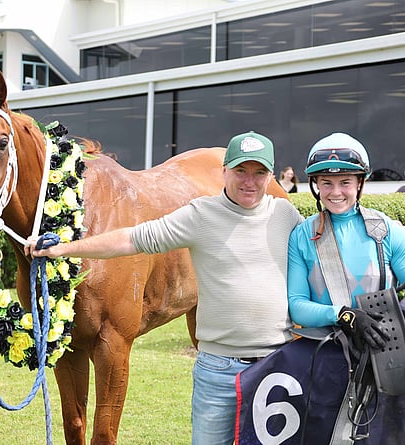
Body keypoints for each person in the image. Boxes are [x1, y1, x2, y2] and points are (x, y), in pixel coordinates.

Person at [26, 131, 303, 445]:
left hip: (273, 364)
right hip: (218, 368)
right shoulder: (201, 215)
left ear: (270, 176)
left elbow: (319, 254)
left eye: (259, 173)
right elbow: (129, 238)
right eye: (241, 171)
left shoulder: (286, 215)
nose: (249, 181)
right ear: (224, 171)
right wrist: (66, 248)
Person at [288, 132, 405, 338]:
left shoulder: (388, 231)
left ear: (360, 183)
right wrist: (343, 315)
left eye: (345, 182)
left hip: (381, 349)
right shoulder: (301, 236)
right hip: (323, 352)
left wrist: (392, 326)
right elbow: (297, 305)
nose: (336, 192)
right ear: (316, 185)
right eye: (327, 183)